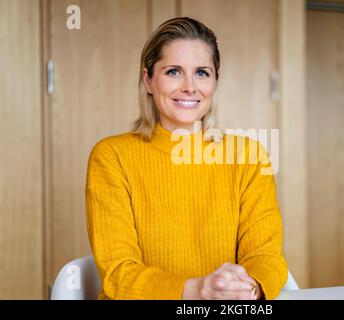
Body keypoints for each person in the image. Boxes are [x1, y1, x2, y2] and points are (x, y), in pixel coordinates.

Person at [85, 16, 288, 300]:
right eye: (173, 72)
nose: (190, 87)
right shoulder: (111, 156)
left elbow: (265, 256)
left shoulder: (249, 157)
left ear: (216, 81)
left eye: (202, 73)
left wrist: (247, 289)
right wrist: (198, 291)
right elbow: (119, 274)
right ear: (148, 80)